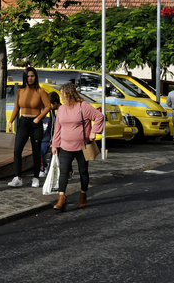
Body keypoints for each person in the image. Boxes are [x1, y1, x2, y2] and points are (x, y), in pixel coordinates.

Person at [50, 81, 105, 212]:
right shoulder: (61, 109)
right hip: (65, 147)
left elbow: (99, 117)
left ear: (69, 94)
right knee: (63, 173)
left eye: (63, 94)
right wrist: (55, 144)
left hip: (82, 147)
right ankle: (61, 198)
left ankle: (83, 194)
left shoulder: (83, 106)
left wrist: (94, 132)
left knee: (83, 172)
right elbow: (57, 128)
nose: (61, 96)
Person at [7, 66, 52, 188]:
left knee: (36, 152)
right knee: (17, 150)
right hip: (23, 122)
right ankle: (18, 177)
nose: (30, 78)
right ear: (24, 77)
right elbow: (16, 107)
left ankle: (36, 178)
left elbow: (48, 106)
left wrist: (39, 118)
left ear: (35, 77)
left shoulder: (40, 91)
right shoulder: (20, 91)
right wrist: (10, 121)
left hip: (35, 123)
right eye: (28, 76)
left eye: (32, 76)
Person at [39, 91, 61, 182]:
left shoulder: (62, 110)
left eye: (50, 104)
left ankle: (66, 172)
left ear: (55, 103)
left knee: (62, 159)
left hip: (62, 139)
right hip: (53, 139)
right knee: (53, 158)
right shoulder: (52, 111)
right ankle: (53, 177)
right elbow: (51, 126)